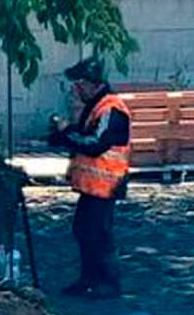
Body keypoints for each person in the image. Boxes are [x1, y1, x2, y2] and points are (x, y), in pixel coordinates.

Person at [47, 57, 132, 298]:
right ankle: (89, 279)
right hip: (94, 185)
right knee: (84, 230)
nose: (75, 90)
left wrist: (65, 133)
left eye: (79, 85)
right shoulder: (97, 107)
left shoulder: (111, 109)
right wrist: (63, 135)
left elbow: (94, 144)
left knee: (98, 234)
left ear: (93, 84)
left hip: (106, 184)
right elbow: (85, 138)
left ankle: (107, 283)